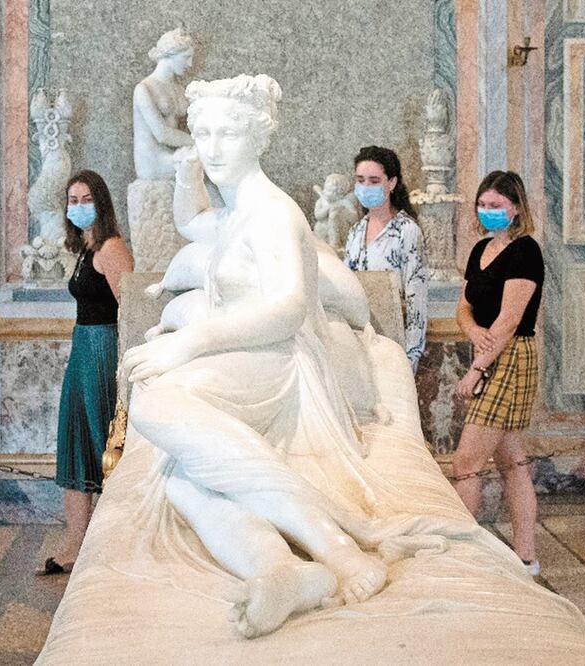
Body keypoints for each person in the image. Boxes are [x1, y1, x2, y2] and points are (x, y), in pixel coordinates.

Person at [122, 75, 462, 639]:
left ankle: (340, 546)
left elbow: (287, 309)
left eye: (228, 133)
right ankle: (279, 570)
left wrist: (187, 341)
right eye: (202, 134)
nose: (212, 148)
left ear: (259, 137)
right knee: (182, 479)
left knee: (155, 406)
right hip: (245, 359)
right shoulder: (235, 213)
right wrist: (186, 177)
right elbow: (192, 223)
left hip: (278, 364)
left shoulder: (274, 212)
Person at [38, 170, 133, 575]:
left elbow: (129, 309)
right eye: (72, 200)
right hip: (83, 346)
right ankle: (74, 544)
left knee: (104, 442)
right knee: (75, 439)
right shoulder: (86, 247)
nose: (78, 207)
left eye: (86, 199)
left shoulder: (111, 248)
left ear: (101, 203)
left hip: (103, 349)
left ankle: (111, 544)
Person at [452, 170, 544, 576]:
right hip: (487, 350)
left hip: (510, 357)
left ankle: (460, 555)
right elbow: (464, 306)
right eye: (482, 204)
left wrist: (476, 370)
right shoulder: (481, 249)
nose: (487, 211)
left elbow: (508, 322)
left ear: (516, 208)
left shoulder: (526, 252)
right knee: (512, 461)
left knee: (465, 462)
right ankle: (526, 557)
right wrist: (473, 331)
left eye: (496, 205)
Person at [343, 146, 429, 371]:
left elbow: (417, 298)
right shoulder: (355, 232)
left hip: (393, 345)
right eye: (360, 180)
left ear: (391, 183)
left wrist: (411, 358)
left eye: (374, 181)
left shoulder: (406, 231)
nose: (365, 187)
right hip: (357, 345)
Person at [132, 26, 195, 180]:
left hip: (174, 155)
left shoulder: (180, 90)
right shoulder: (144, 88)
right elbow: (162, 134)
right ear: (170, 54)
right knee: (204, 160)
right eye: (186, 57)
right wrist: (199, 143)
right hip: (152, 163)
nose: (190, 64)